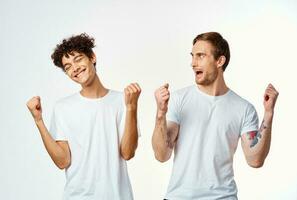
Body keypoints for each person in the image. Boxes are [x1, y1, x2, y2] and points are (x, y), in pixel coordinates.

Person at [152, 32, 279, 199]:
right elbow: (162, 155)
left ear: (220, 61)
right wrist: (161, 114)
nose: (193, 63)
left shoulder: (243, 108)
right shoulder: (178, 99)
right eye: (192, 56)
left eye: (201, 56)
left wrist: (268, 114)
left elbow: (255, 160)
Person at [26, 33, 141, 200]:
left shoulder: (122, 101)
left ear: (92, 57)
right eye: (68, 67)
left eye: (78, 59)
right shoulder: (63, 107)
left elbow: (128, 153)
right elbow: (63, 161)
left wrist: (132, 107)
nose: (74, 68)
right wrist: (38, 120)